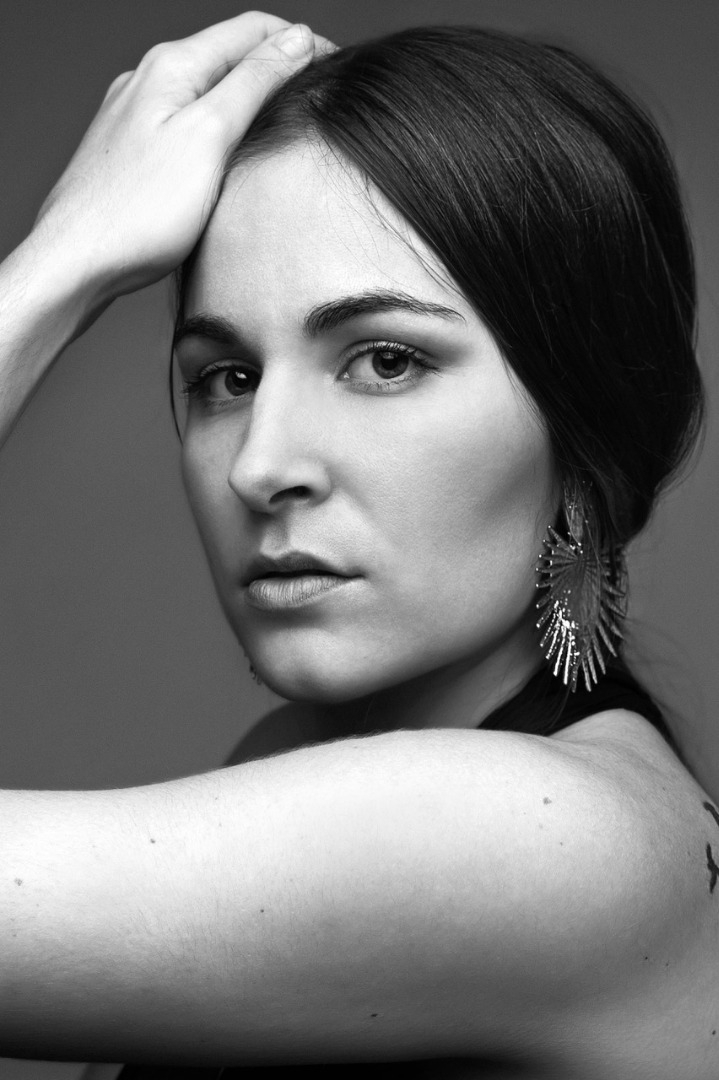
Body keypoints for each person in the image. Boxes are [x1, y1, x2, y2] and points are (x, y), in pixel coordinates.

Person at [0, 10, 716, 1079]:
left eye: (383, 361)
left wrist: (62, 262)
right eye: (227, 378)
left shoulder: (534, 839)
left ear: (583, 432)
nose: (259, 465)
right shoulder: (294, 762)